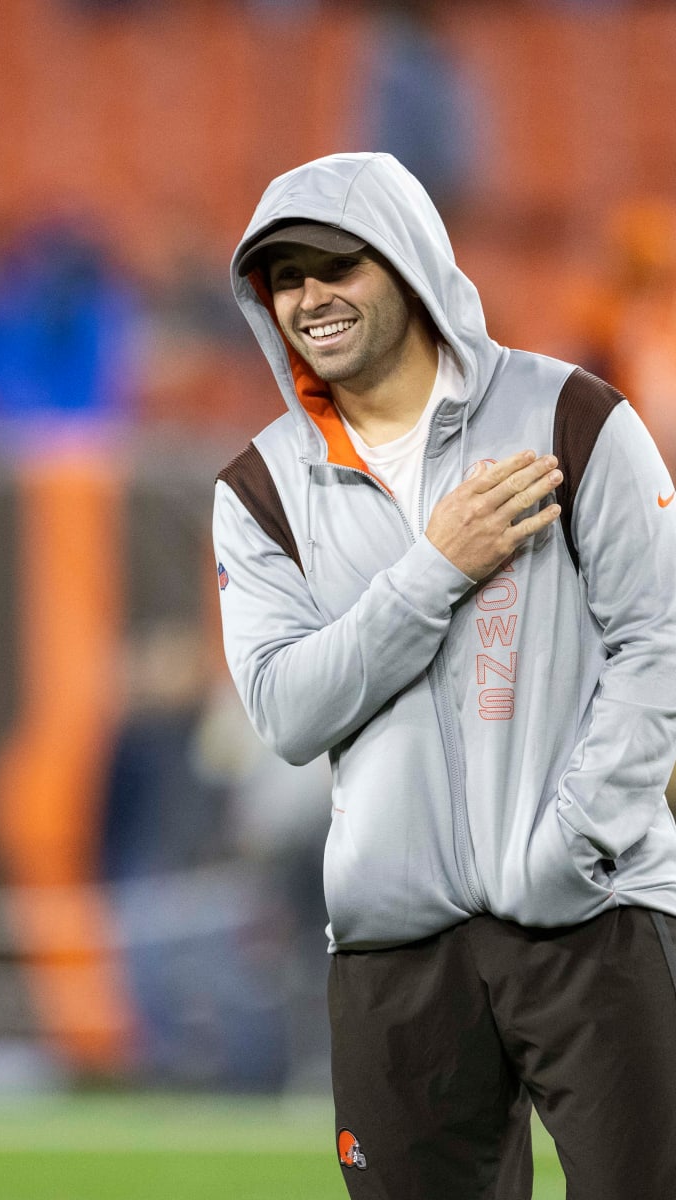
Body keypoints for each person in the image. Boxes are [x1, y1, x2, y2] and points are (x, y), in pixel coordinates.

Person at [213, 151, 676, 1198]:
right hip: (393, 947)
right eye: (285, 277)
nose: (310, 296)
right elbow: (286, 709)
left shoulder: (573, 416)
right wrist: (433, 569)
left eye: (341, 263)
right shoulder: (259, 489)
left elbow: (662, 643)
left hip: (594, 917)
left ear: (414, 264)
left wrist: (572, 843)